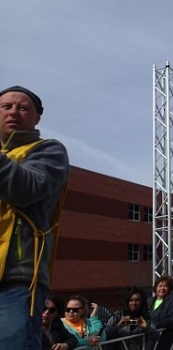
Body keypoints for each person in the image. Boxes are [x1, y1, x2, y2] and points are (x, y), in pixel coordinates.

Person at [0, 86, 70, 350]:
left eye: (22, 108)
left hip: (17, 280)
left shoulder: (49, 151)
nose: (13, 112)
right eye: (6, 107)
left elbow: (27, 188)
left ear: (37, 117)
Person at [148, 275, 173, 350]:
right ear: (155, 288)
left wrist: (161, 324)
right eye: (160, 286)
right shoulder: (149, 301)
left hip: (163, 339)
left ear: (169, 288)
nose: (162, 288)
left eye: (165, 286)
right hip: (147, 339)